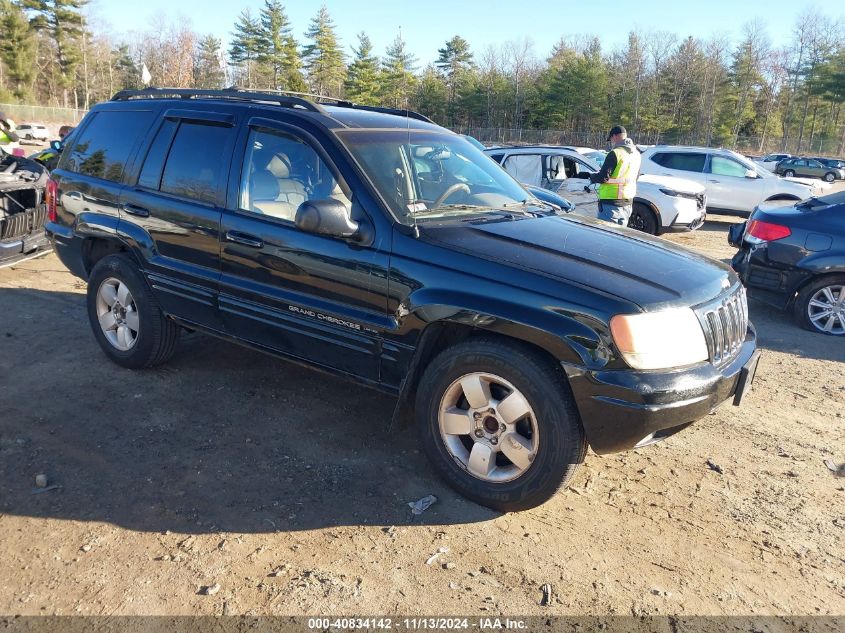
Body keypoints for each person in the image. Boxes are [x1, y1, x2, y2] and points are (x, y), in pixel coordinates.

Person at [588, 125, 641, 226]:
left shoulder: (615, 153)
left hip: (611, 202)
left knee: (606, 236)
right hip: (628, 202)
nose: (612, 142)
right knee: (619, 236)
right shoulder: (636, 153)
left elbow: (603, 177)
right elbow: (636, 177)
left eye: (611, 139)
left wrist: (591, 177)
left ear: (615, 136)